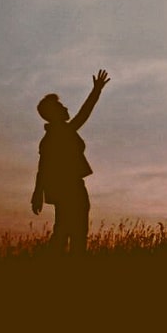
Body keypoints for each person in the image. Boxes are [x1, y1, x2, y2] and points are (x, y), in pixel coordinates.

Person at [31, 69, 110, 255]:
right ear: (54, 113)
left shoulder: (57, 134)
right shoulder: (59, 134)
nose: (66, 108)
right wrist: (96, 90)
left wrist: (38, 193)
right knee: (73, 233)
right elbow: (43, 168)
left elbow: (42, 168)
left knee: (65, 231)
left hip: (66, 188)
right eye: (61, 106)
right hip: (70, 188)